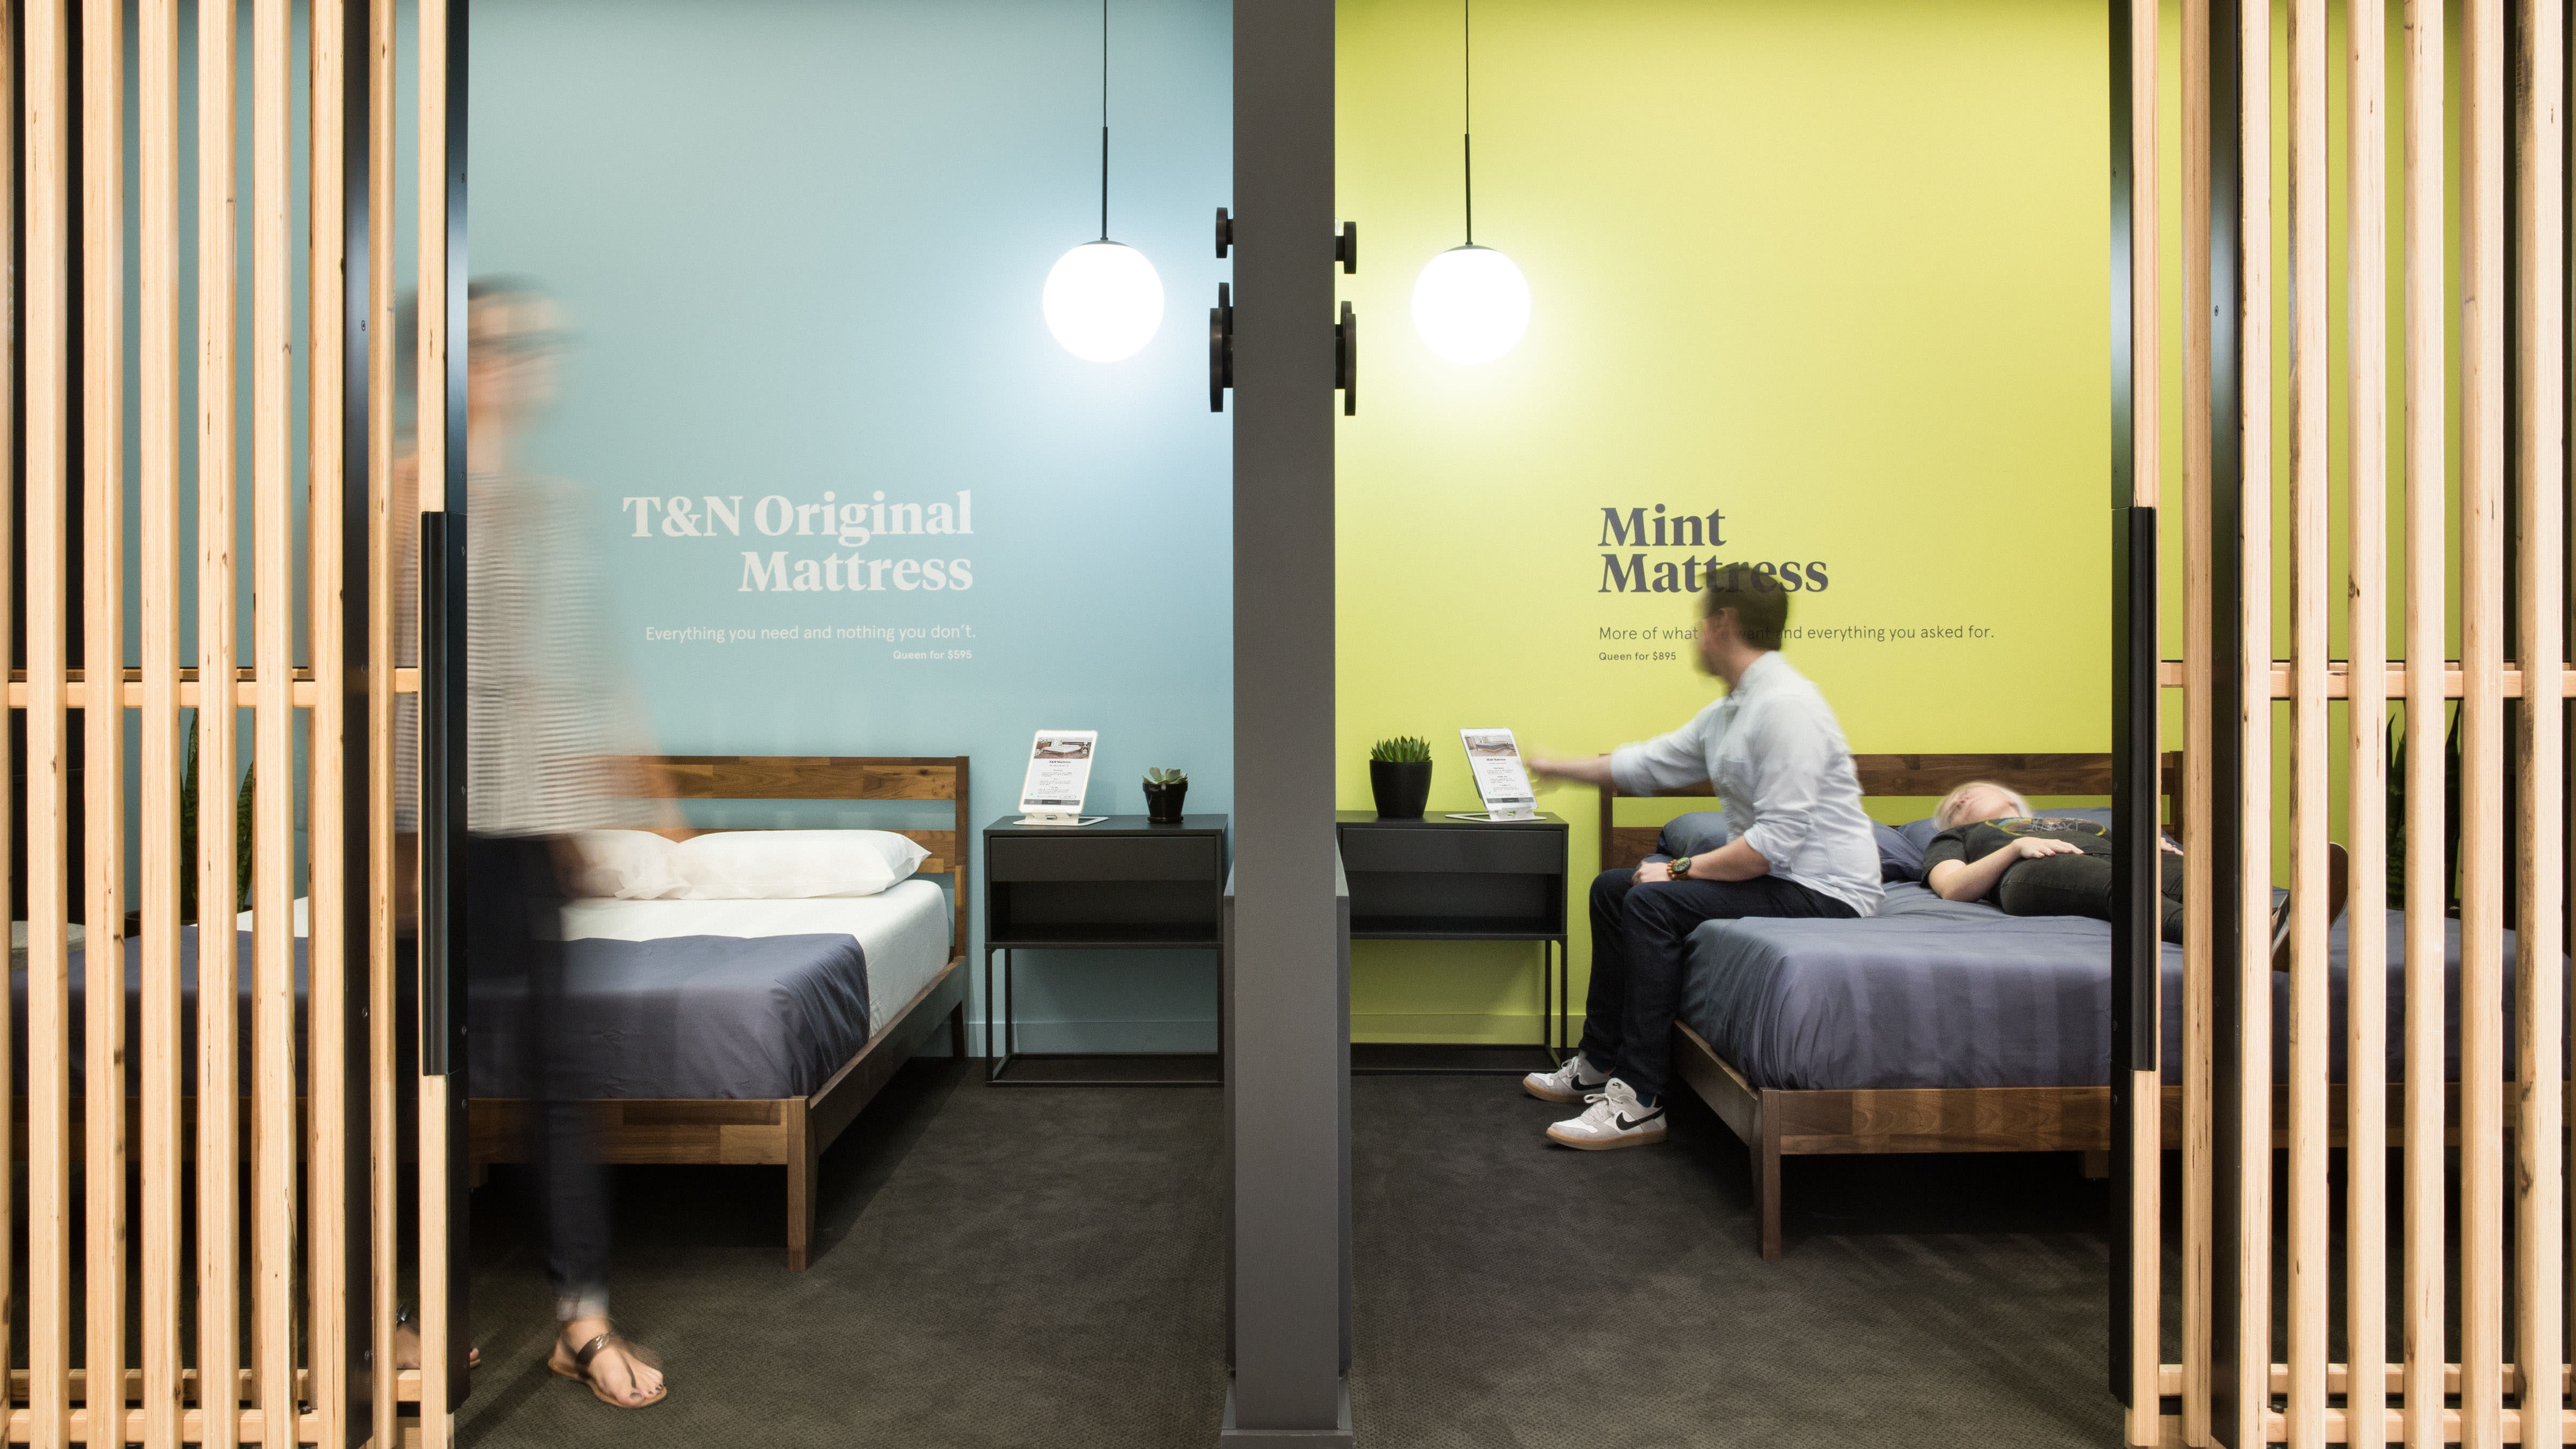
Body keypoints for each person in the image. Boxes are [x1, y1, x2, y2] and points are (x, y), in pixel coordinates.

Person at [394, 279, 670, 1409]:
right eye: (500, 346)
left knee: (563, 1084)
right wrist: (389, 853)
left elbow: (583, 667)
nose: (524, 364)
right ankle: (417, 1312)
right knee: (423, 1085)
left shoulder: (554, 505)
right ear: (451, 360)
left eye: (526, 346)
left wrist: (628, 791)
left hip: (530, 828)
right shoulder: (390, 498)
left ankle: (583, 1322)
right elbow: (378, 682)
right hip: (429, 833)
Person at [1523, 570, 1883, 1150]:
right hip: (1784, 875)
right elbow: (1646, 765)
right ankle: (1598, 1059)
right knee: (1613, 888)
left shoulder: (1788, 707)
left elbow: (1773, 845)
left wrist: (1678, 869)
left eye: (1700, 624)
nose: (1695, 636)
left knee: (1651, 901)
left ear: (1723, 624)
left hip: (1827, 891)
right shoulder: (1732, 712)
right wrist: (1559, 767)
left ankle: (1639, 1099)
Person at [1922, 780, 2345, 965]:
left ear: (2013, 800)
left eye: (1967, 793)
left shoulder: (2091, 823)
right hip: (2031, 871)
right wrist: (2018, 846)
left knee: (2197, 876)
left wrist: (2149, 842)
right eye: (1952, 807)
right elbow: (1954, 888)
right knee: (2125, 888)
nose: (1960, 799)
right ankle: (2247, 941)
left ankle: (2273, 923)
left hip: (2124, 853)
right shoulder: (1962, 835)